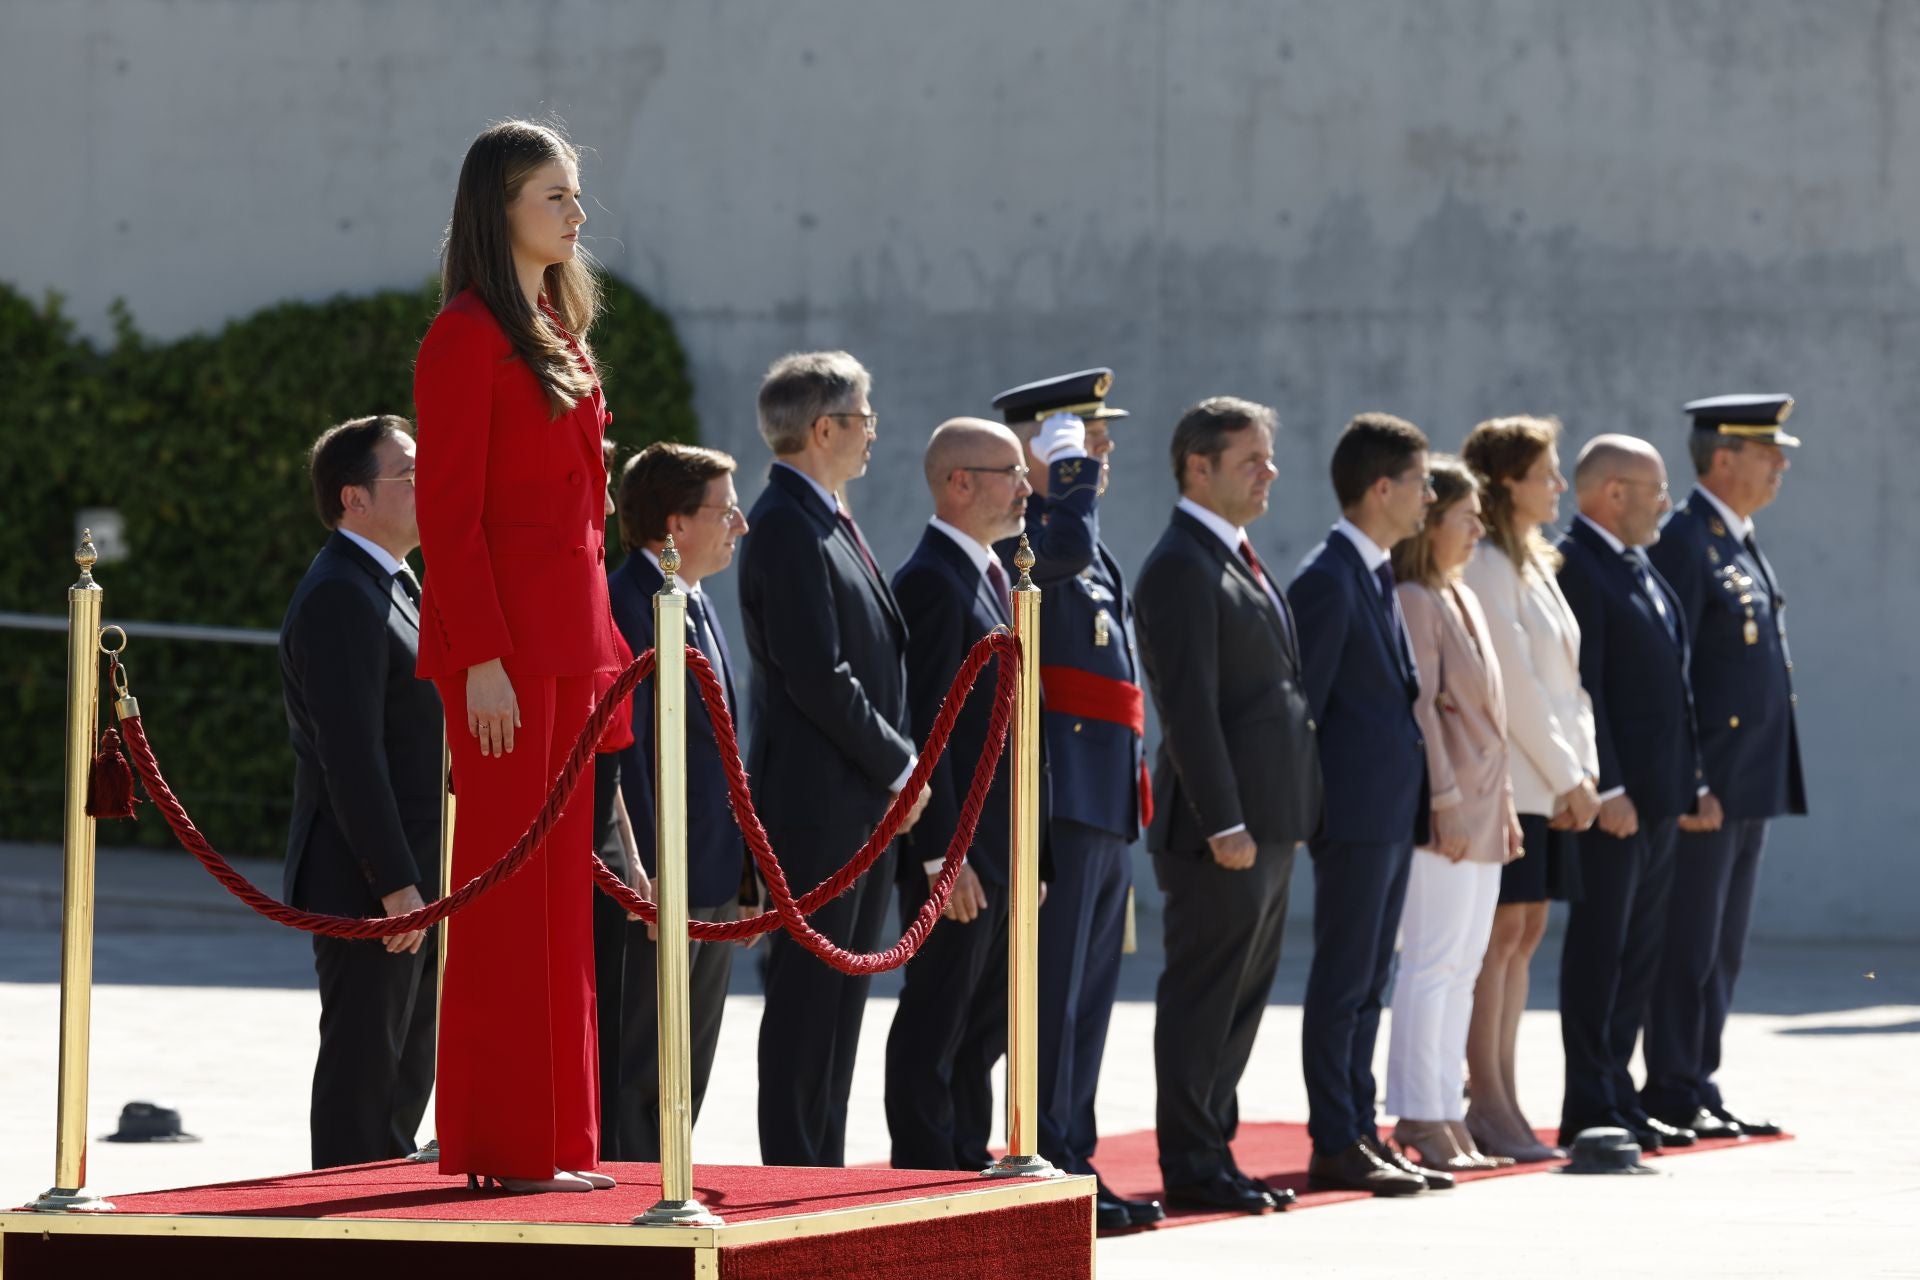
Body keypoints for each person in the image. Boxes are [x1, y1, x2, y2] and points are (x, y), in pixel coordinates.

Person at [413, 119, 621, 1193]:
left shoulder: (554, 329)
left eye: (575, 193)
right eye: (555, 194)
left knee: (557, 902)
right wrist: (482, 658)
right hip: (506, 654)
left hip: (570, 644)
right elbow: (449, 519)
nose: (577, 213)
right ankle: (502, 1142)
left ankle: (555, 1141)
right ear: (499, 208)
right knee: (504, 901)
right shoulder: (464, 334)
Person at [738, 350, 930, 1167]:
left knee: (839, 1011)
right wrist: (902, 767)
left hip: (857, 805)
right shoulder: (787, 524)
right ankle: (794, 1176)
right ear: (823, 429)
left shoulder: (824, 517)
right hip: (818, 806)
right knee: (806, 1010)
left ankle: (820, 1176)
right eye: (862, 417)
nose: (872, 432)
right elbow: (818, 674)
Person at [1135, 397, 1321, 1214]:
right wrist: (1226, 820)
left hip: (1266, 821)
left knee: (1241, 998)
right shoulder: (1181, 564)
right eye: (1251, 460)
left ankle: (1214, 1151)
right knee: (1206, 996)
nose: (1268, 472)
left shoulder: (1232, 553)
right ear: (1198, 467)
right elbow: (1189, 708)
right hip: (1221, 830)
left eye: (1268, 457)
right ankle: (1191, 1161)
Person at [992, 369, 1162, 1231]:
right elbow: (1053, 559)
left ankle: (1077, 1157)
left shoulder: (1085, 538)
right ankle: (1049, 1153)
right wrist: (1066, 486)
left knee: (1089, 999)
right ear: (1042, 447)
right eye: (1084, 438)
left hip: (1104, 800)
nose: (1102, 452)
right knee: (1053, 996)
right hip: (1061, 803)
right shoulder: (1031, 537)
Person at [279, 415, 441, 1170]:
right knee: (364, 1073)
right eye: (408, 474)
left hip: (414, 873)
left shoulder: (394, 582)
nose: (427, 484)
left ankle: (382, 1209)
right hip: (369, 879)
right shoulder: (340, 593)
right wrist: (395, 882)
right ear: (355, 498)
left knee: (404, 1072)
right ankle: (342, 1216)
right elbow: (351, 756)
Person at [1641, 395, 1804, 1140]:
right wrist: (1692, 778)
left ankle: (1698, 1081)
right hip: (1708, 786)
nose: (1780, 466)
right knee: (1688, 942)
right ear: (1724, 457)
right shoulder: (1685, 539)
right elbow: (1667, 669)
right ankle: (1672, 1087)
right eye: (1768, 453)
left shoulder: (1737, 539)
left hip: (1749, 780)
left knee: (1721, 946)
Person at [1554, 434, 1722, 1152]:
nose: (1665, 502)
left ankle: (1618, 1092)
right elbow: (1584, 687)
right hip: (1615, 805)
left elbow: (1673, 688)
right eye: (1654, 490)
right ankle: (1588, 1101)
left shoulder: (1638, 565)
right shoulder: (1577, 566)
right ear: (1613, 493)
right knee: (1602, 951)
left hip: (1659, 800)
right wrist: (1610, 784)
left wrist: (1695, 782)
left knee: (1639, 953)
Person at [1289, 412, 1441, 1198]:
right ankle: (1335, 1137)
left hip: (1385, 812)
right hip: (1350, 818)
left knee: (1371, 979)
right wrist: (1303, 814)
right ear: (1381, 488)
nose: (1430, 497)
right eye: (1420, 482)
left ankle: (1359, 1127)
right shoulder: (1328, 578)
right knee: (1345, 979)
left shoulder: (1373, 571)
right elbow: (1304, 711)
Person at [884, 418, 1034, 1170]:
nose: (1026, 487)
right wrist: (944, 853)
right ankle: (925, 1168)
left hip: (1000, 848)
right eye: (1011, 473)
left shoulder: (991, 576)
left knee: (983, 1025)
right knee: (938, 1016)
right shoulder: (932, 581)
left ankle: (966, 1160)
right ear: (960, 482)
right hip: (959, 854)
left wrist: (1031, 852)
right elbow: (929, 729)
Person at [604, 442, 760, 1161]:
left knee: (687, 1067)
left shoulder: (694, 597)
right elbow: (625, 753)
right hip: (662, 880)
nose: (740, 525)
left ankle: (673, 1181)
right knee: (643, 1068)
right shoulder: (628, 603)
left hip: (713, 874)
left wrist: (746, 873)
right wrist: (644, 875)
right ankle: (641, 1203)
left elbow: (721, 754)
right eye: (725, 510)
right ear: (676, 524)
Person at [1459, 416, 1600, 1164]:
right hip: (1516, 783)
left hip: (1550, 783)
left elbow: (1569, 685)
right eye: (1545, 473)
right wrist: (1570, 777)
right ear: (1507, 482)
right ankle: (1487, 1100)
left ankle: (1505, 1097)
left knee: (1524, 935)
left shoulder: (1534, 563)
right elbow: (1513, 688)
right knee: (1498, 940)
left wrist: (1584, 773)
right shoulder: (1486, 563)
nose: (1558, 486)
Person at [1382, 456, 1525, 1174]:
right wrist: (1444, 804)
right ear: (1430, 522)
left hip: (1483, 810)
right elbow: (1424, 715)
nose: (1477, 529)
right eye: (1465, 517)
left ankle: (1446, 1111)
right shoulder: (1414, 597)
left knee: (1463, 966)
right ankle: (1418, 1112)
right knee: (1431, 964)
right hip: (1445, 814)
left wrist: (1503, 807)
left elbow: (1489, 720)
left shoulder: (1459, 593)